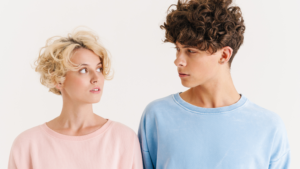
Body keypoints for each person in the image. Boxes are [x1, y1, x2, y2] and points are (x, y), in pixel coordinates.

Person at [138, 0, 290, 168]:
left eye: (191, 51)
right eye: (178, 49)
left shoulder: (268, 127)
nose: (178, 61)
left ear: (224, 55)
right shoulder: (157, 116)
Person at [8, 29, 143, 169]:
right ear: (58, 79)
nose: (96, 78)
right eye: (83, 70)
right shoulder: (27, 145)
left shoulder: (123, 138)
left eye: (99, 69)